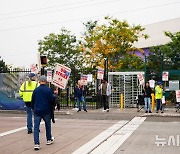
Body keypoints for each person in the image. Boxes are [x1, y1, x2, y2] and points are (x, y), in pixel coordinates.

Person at [31, 75, 55, 150]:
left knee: (36, 127)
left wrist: (33, 108)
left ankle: (36, 143)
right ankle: (48, 139)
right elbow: (52, 100)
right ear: (46, 81)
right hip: (46, 110)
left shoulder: (36, 90)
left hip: (37, 110)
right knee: (48, 125)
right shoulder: (48, 90)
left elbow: (33, 100)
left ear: (39, 81)